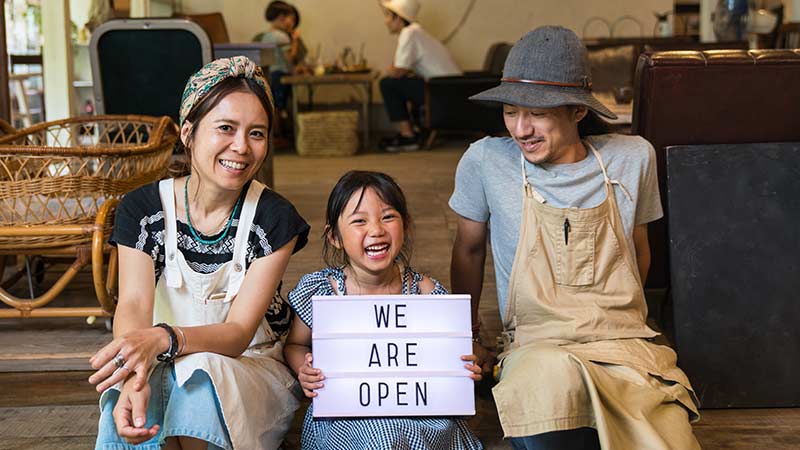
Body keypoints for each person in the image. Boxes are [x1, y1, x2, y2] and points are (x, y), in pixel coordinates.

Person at [449, 26, 701, 450]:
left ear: (579, 111)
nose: (521, 128)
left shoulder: (633, 159)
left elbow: (637, 253)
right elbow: (468, 249)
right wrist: (467, 335)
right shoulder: (486, 161)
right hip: (538, 344)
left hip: (623, 344)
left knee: (666, 437)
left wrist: (618, 319)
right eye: (510, 111)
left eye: (538, 113)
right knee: (554, 425)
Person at [90, 56, 310, 450]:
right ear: (188, 132)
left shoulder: (274, 219)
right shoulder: (143, 210)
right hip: (160, 356)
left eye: (256, 133)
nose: (241, 147)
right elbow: (134, 304)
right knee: (131, 405)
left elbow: (240, 334)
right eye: (225, 128)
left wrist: (161, 339)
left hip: (248, 366)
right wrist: (131, 373)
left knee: (200, 380)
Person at [284, 170, 484, 450]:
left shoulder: (425, 292)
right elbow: (295, 344)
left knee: (393, 433)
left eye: (388, 217)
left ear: (407, 225)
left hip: (421, 416)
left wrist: (462, 367)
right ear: (334, 237)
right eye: (359, 221)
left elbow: (451, 350)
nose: (376, 230)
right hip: (346, 416)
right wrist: (304, 368)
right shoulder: (322, 292)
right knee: (383, 435)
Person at [378, 0, 461, 152]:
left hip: (445, 89)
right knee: (399, 82)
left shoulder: (409, 33)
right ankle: (412, 132)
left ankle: (408, 135)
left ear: (399, 18)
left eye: (389, 16)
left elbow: (398, 71)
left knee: (387, 83)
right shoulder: (415, 32)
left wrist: (390, 70)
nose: (386, 21)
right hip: (451, 87)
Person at [257, 0, 304, 112]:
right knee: (280, 107)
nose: (292, 24)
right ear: (282, 17)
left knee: (273, 106)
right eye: (291, 19)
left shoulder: (266, 36)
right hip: (281, 76)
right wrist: (295, 41)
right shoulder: (282, 37)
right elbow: (290, 59)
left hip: (270, 76)